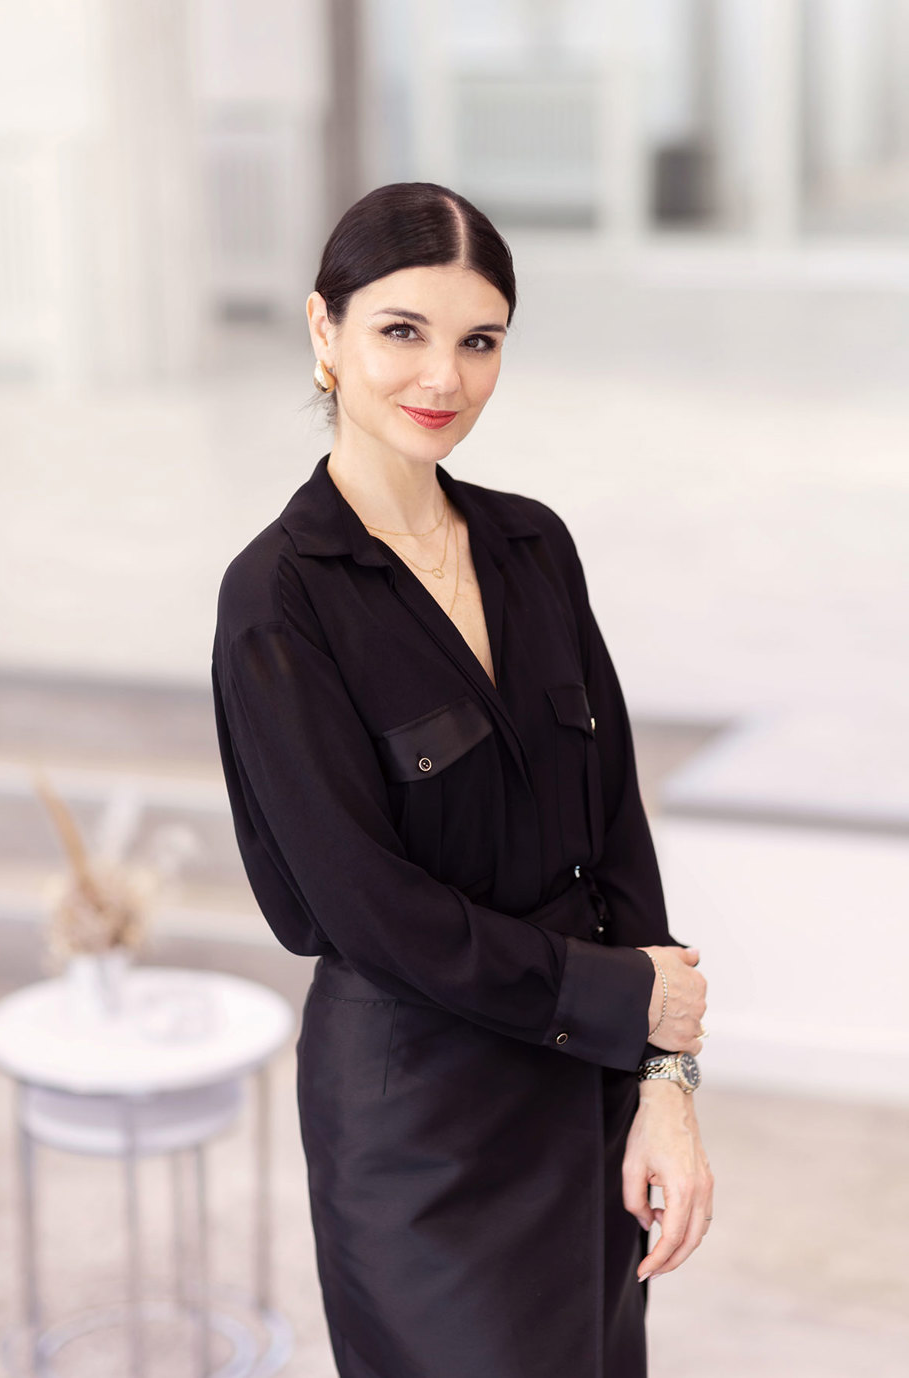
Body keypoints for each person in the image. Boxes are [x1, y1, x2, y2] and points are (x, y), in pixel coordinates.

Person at [211, 181, 713, 1378]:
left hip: (585, 1094)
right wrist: (621, 999)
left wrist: (665, 1081)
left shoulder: (534, 546)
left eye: (478, 340)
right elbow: (362, 910)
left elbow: (614, 831)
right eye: (401, 331)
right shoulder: (277, 600)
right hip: (418, 1123)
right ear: (323, 332)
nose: (443, 376)